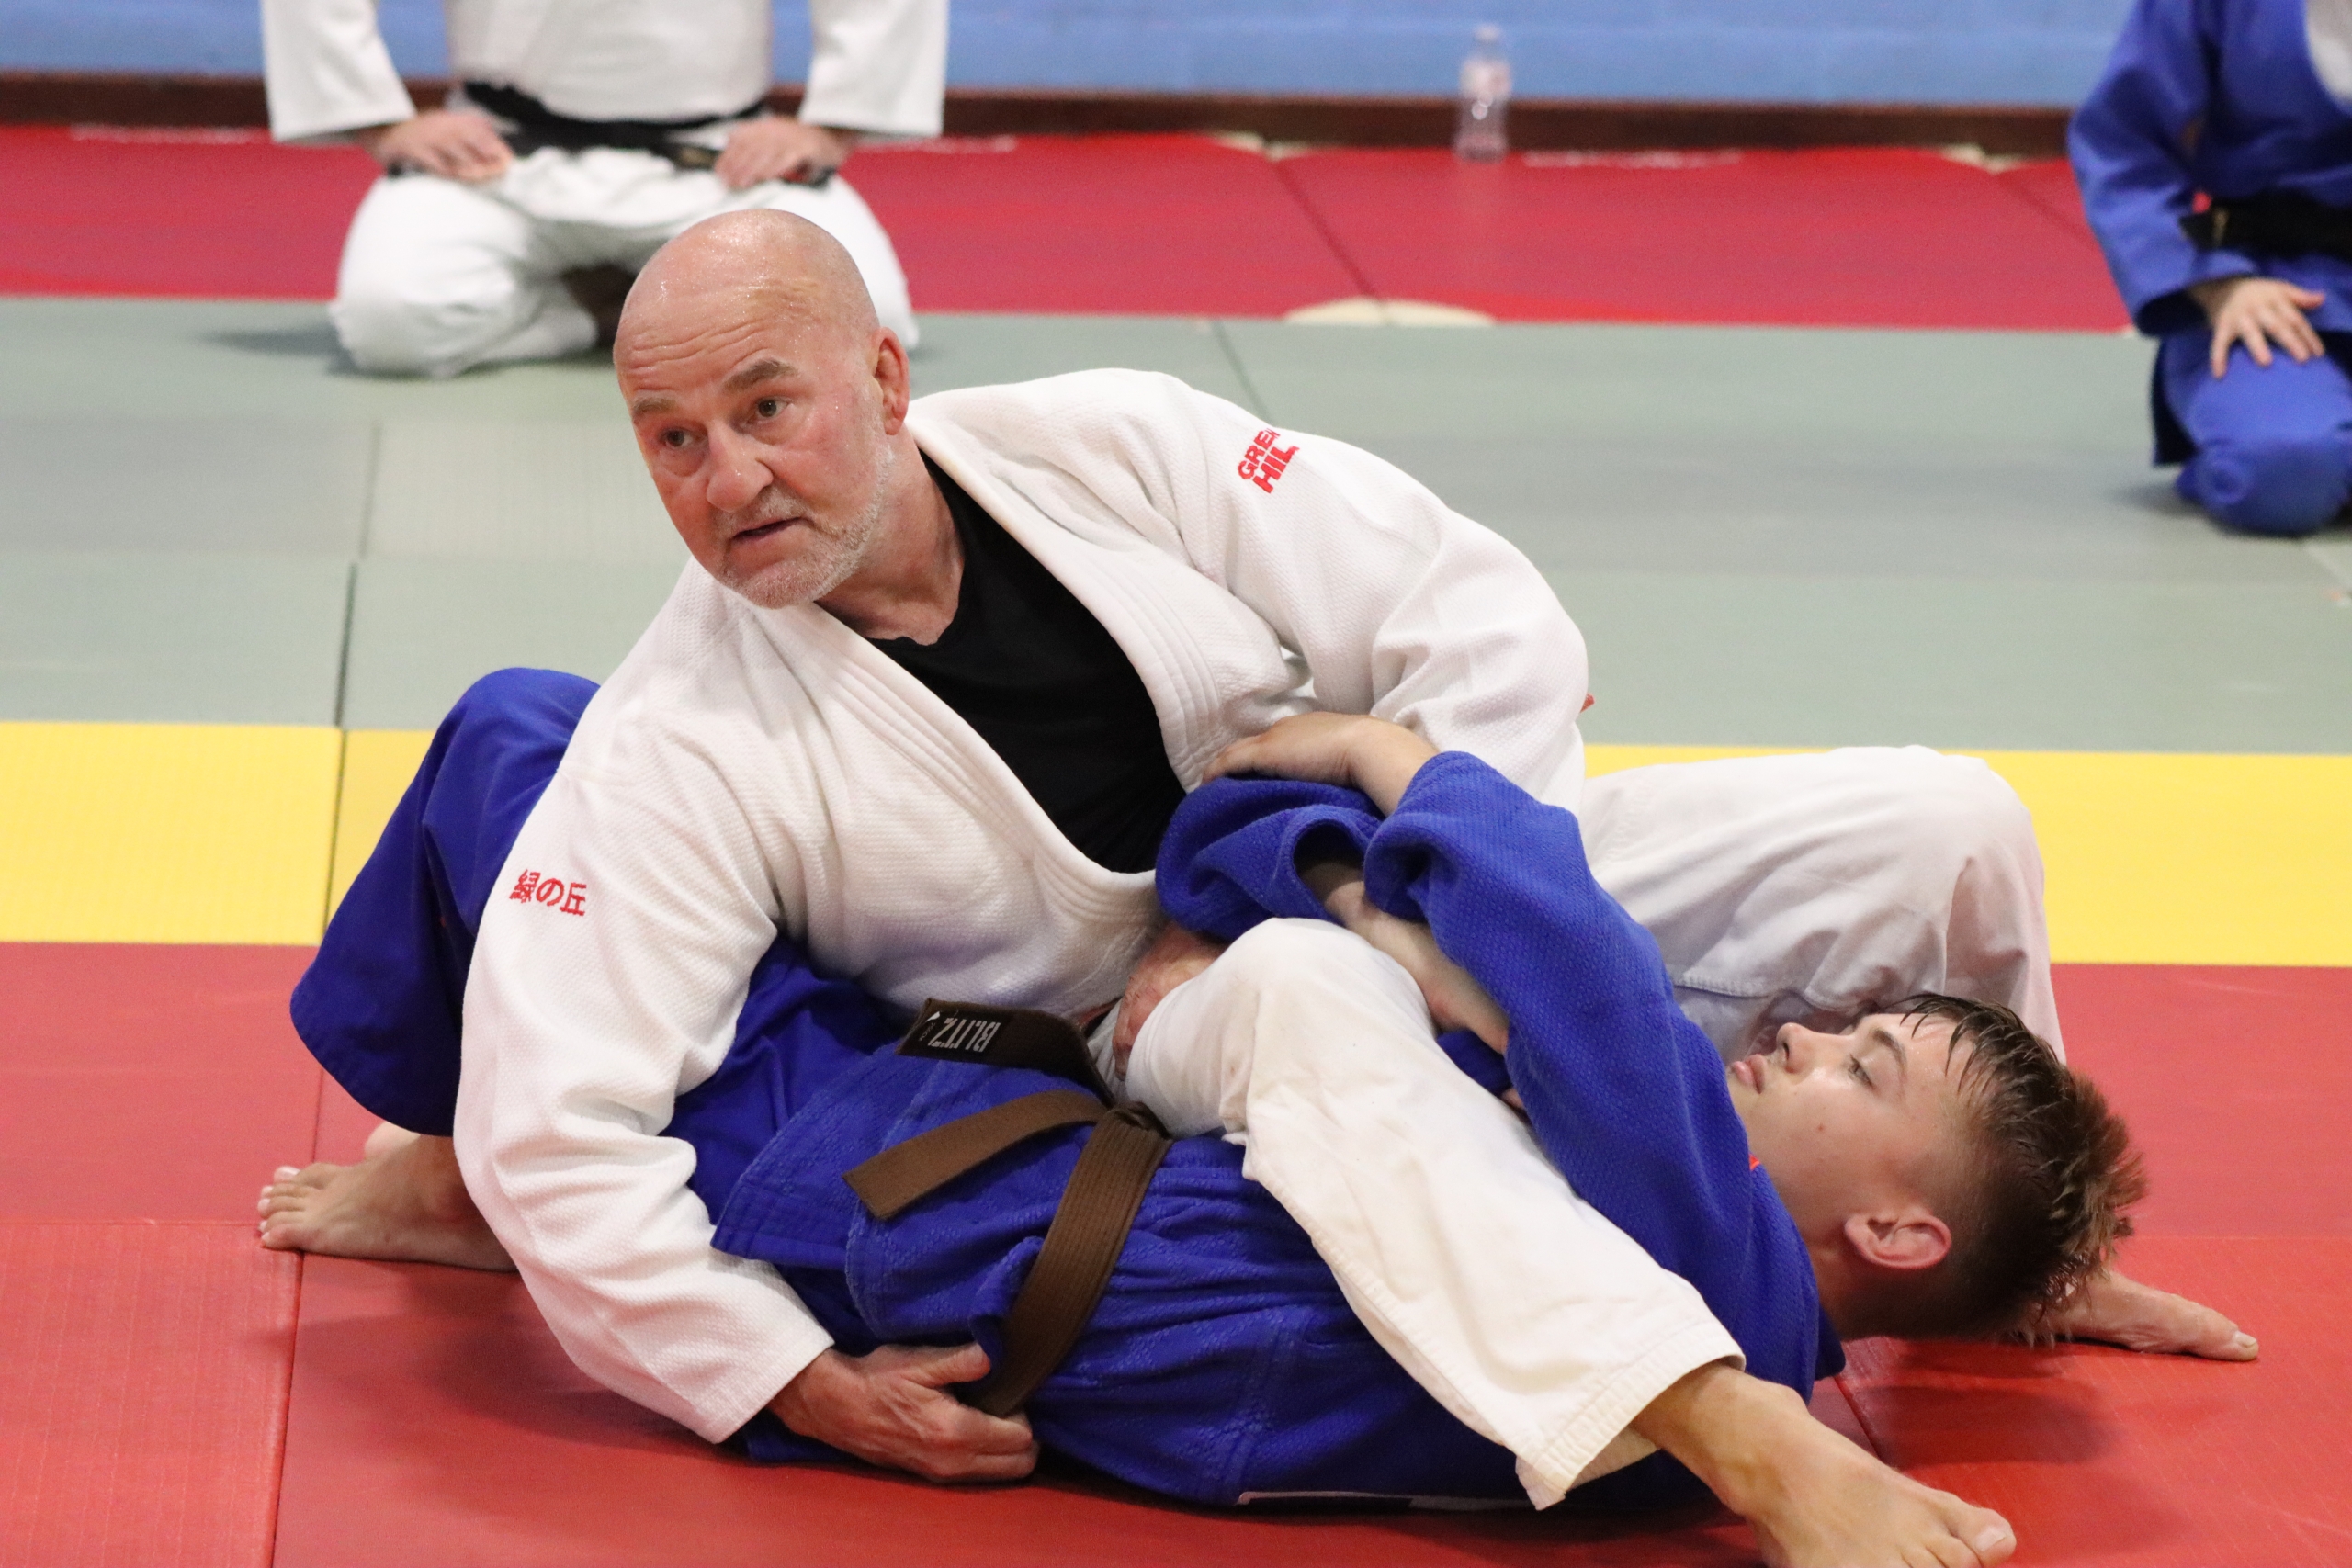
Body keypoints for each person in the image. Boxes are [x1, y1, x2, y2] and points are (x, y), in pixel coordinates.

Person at [257, 209, 2245, 1495]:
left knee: (1946, 821)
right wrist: (772, 1375)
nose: (727, 482)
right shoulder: (681, 732)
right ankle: (1693, 1409)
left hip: (1402, 873)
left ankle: (2015, 1246)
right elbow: (557, 1126)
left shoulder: (1113, 445)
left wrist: (1449, 908)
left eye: (765, 407)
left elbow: (1477, 617)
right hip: (1149, 1022)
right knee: (1297, 990)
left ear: (882, 377)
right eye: (673, 441)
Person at [268, 669, 2041, 1566]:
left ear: (1899, 1233)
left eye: (1863, 1068)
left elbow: (1580, 961)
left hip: (914, 1196)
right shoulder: (1625, 1220)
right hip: (997, 1127)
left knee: (525, 737)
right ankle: (463, 1162)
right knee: (564, 744)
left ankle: (467, 1168)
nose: (1802, 1034)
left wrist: (1389, 762)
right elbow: (1271, 872)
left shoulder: (1722, 1262)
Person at [260, 0, 937, 375]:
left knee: (867, 319)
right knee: (389, 319)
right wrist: (380, 122)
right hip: (501, 152)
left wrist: (831, 127)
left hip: (722, 158)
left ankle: (629, 307)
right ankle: (603, 312)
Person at [2072, 0, 2352, 536]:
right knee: (2287, 472)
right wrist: (2217, 284)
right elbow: (2124, 147)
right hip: (2272, 294)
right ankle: (2258, 443)